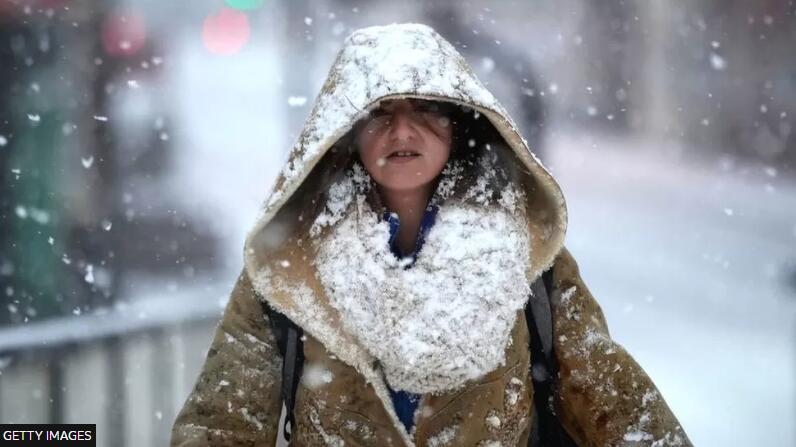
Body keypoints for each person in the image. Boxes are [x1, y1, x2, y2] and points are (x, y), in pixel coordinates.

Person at [171, 23, 691, 447]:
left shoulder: (526, 258)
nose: (402, 131)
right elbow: (221, 427)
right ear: (346, 133)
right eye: (379, 114)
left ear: (459, 124)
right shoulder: (289, 270)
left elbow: (618, 405)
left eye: (425, 109)